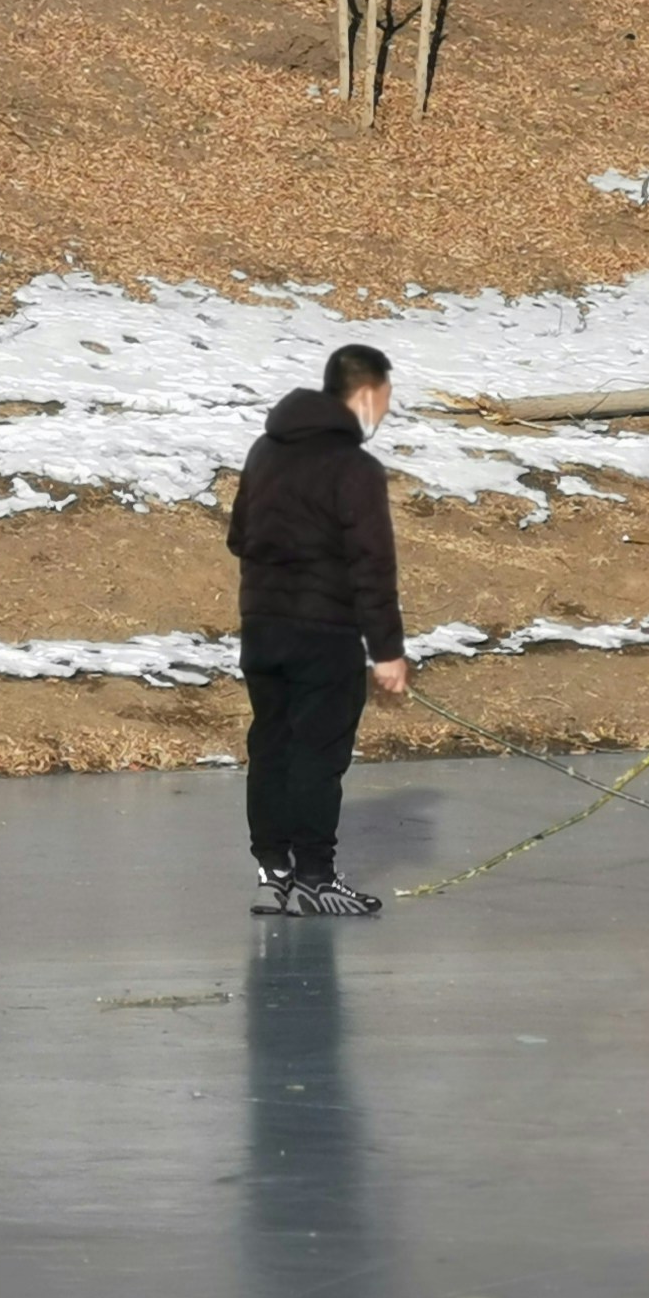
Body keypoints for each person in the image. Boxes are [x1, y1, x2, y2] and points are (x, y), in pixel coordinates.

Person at [226, 344, 408, 916]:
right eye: (384, 396)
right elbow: (370, 562)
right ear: (365, 394)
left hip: (262, 627)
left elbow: (239, 535)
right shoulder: (354, 468)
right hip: (323, 631)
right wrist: (387, 651)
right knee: (316, 752)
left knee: (272, 744)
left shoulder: (265, 451)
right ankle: (315, 876)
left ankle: (272, 871)